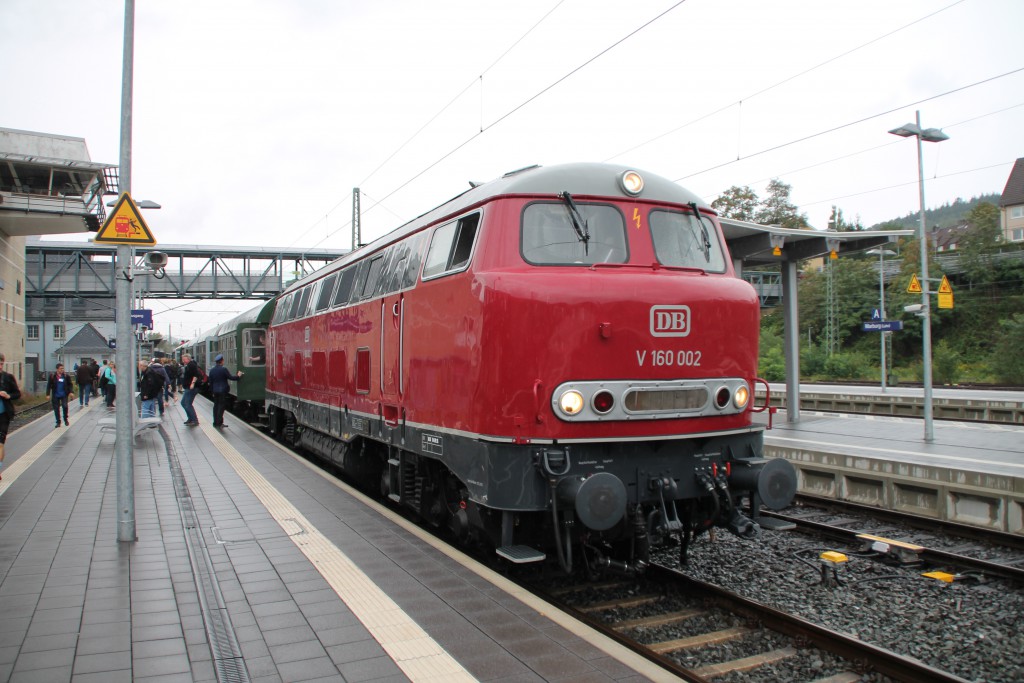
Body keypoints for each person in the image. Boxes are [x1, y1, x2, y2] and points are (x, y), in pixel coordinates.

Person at [0, 352, 22, 482]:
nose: (0, 366)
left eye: (2, 363)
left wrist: (8, 396)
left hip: (4, 415)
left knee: (0, 443)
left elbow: (17, 394)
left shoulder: (8, 378)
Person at [208, 353, 242, 428]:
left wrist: (212, 391)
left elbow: (210, 382)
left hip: (215, 391)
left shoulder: (212, 370)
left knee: (216, 406)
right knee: (221, 407)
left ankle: (215, 422)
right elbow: (231, 377)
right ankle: (219, 423)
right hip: (222, 391)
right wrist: (238, 376)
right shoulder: (223, 369)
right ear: (222, 361)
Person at [46, 362, 74, 427]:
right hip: (55, 394)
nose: (62, 370)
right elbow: (49, 385)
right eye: (61, 369)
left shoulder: (66, 376)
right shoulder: (52, 376)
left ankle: (65, 419)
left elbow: (70, 384)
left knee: (65, 406)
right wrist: (47, 394)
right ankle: (58, 422)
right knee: (56, 408)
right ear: (57, 369)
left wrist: (71, 392)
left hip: (64, 394)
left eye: (63, 368)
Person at [179, 353, 201, 426]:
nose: (183, 361)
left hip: (191, 388)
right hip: (188, 387)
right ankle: (190, 418)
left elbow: (196, 374)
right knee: (183, 403)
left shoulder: (192, 365)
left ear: (188, 359)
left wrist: (193, 383)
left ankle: (194, 420)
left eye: (184, 359)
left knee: (188, 404)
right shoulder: (189, 365)